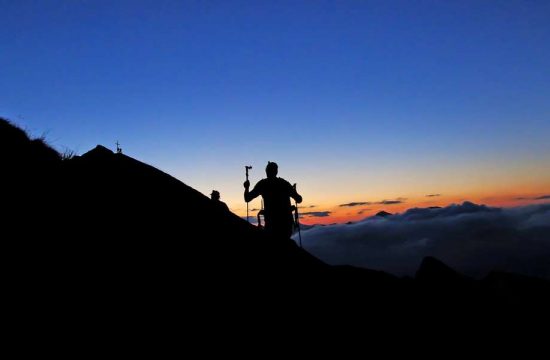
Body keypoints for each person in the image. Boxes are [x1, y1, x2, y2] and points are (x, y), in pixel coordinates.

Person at [244, 161, 302, 239]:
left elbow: (247, 198)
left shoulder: (263, 184)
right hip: (286, 224)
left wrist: (246, 187)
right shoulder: (284, 183)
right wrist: (294, 191)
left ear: (266, 172)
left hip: (271, 224)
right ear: (276, 171)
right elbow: (299, 199)